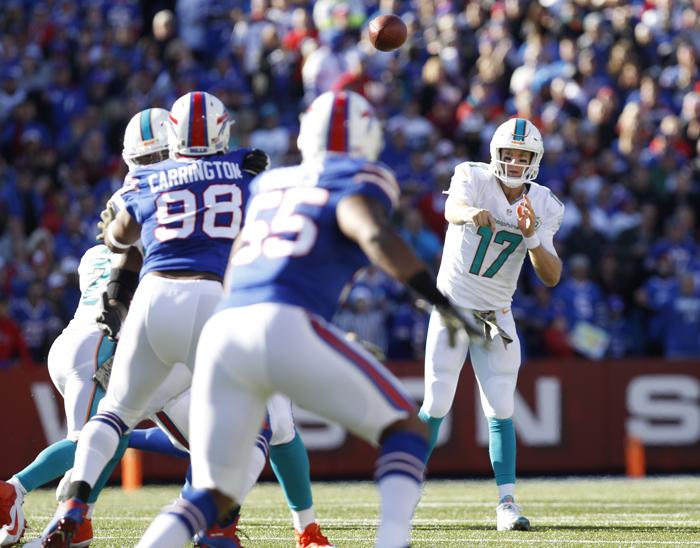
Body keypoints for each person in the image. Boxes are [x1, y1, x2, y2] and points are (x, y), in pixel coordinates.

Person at [137, 90, 481, 548]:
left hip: (223, 328)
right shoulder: (359, 176)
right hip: (283, 324)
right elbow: (373, 233)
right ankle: (392, 540)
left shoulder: (269, 182)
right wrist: (436, 300)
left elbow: (240, 259)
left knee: (211, 492)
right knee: (407, 431)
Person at [39, 92, 265, 547]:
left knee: (115, 412)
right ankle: (220, 524)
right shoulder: (247, 169)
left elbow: (119, 239)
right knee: (251, 426)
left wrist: (116, 232)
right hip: (215, 302)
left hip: (156, 299)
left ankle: (75, 505)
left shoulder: (150, 178)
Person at [0, 108, 173, 548]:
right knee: (90, 442)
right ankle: (12, 491)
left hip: (71, 343)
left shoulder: (90, 257)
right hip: (98, 343)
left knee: (109, 440)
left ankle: (81, 522)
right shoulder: (153, 244)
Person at [419, 118, 564, 531]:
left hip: (496, 314)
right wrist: (470, 214)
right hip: (453, 307)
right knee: (437, 400)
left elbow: (551, 276)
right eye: (509, 154)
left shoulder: (546, 204)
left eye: (523, 156)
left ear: (534, 161)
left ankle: (506, 504)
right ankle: (405, 485)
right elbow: (450, 208)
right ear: (496, 154)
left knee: (501, 407)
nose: (515, 162)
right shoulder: (471, 176)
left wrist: (532, 237)